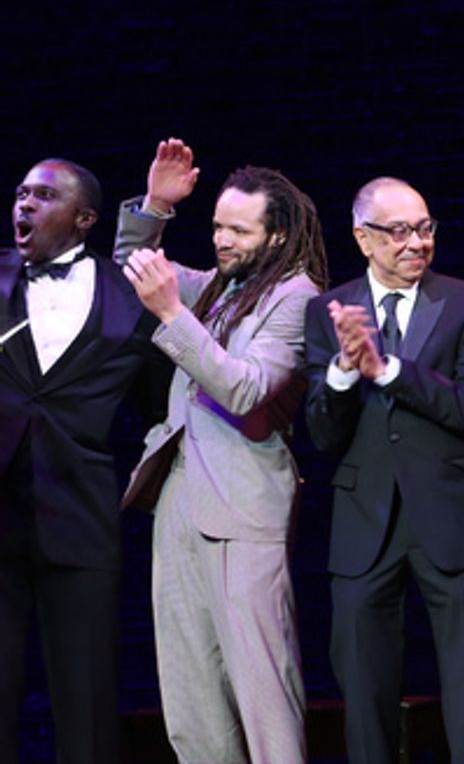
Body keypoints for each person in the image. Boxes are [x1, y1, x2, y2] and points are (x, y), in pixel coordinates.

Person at [114, 139, 328, 763]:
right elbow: (136, 269)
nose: (222, 241)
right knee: (190, 692)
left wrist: (173, 315)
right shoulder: (219, 287)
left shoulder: (296, 296)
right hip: (181, 496)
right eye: (216, 227)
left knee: (261, 689)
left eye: (238, 230)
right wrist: (156, 206)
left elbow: (246, 389)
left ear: (277, 235)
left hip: (243, 503)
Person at [302, 177, 464, 764]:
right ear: (363, 238)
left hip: (453, 520)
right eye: (399, 231)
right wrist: (344, 369)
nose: (417, 242)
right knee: (365, 699)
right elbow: (322, 434)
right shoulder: (327, 312)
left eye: (425, 228)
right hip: (364, 523)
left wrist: (387, 370)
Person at [0, 158, 156, 764]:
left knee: (88, 701)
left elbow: (161, 409)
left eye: (44, 195)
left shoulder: (131, 298)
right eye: (21, 193)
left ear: (85, 218)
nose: (25, 204)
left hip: (81, 517)